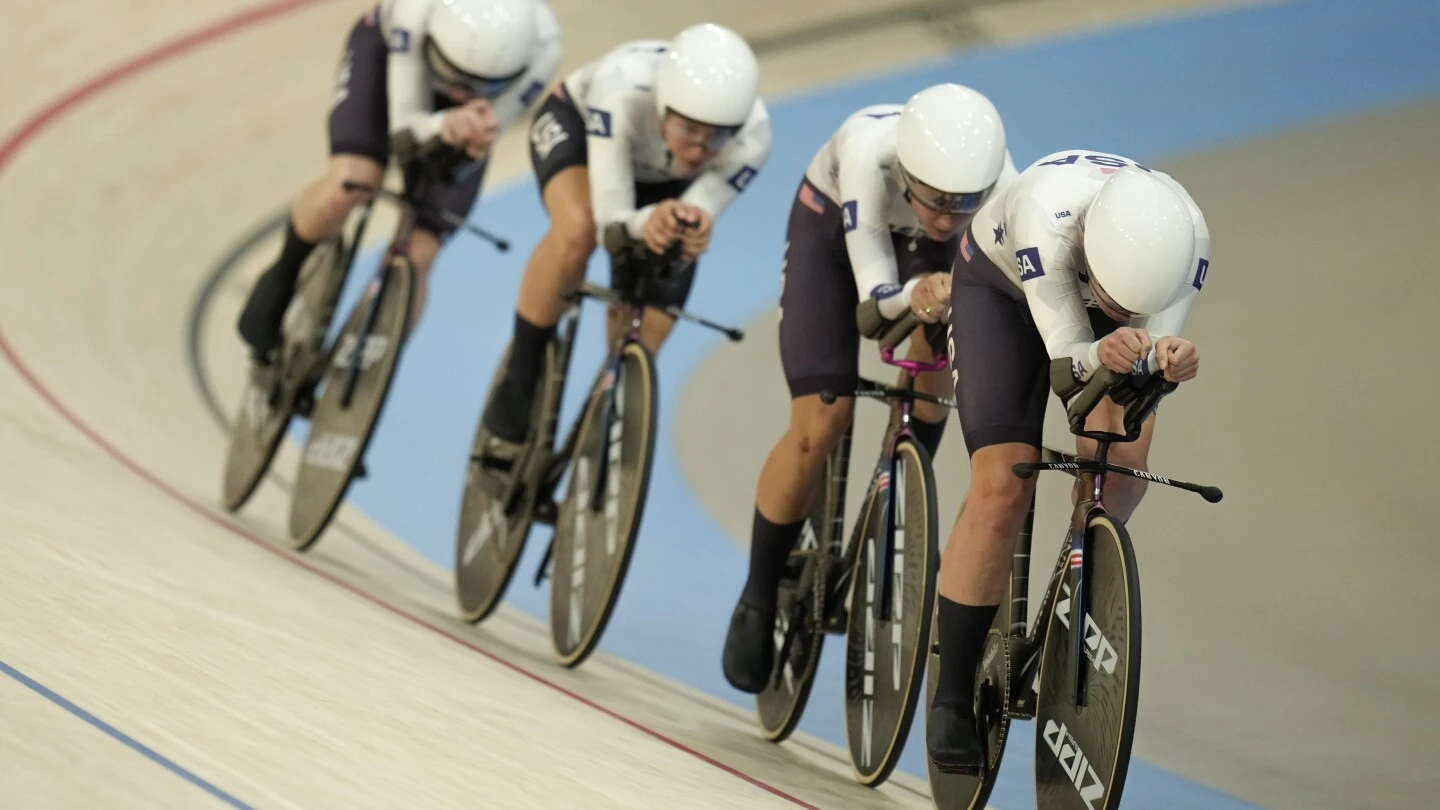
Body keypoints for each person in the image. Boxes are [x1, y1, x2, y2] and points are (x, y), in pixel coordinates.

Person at [718, 83, 1019, 694]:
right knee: (820, 422)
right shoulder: (865, 154)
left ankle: (901, 486)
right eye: (935, 201)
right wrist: (917, 295)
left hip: (936, 262)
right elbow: (874, 305)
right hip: (835, 235)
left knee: (947, 343)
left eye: (963, 205)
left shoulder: (1003, 188)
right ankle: (756, 592)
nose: (945, 217)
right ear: (906, 171)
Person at [926, 151, 1211, 772]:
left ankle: (1077, 572)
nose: (1112, 306)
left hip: (1103, 308)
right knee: (1003, 484)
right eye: (1107, 296)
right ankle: (950, 692)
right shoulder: (1046, 214)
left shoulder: (1188, 242)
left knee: (1119, 476)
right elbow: (1067, 365)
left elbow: (1143, 364)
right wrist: (1106, 346)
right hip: (1003, 290)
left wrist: (1165, 360)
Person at [475, 23, 773, 472]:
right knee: (576, 231)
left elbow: (698, 208)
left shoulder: (753, 138)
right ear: (662, 108)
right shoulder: (622, 90)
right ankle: (522, 371)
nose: (699, 148)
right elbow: (611, 222)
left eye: (716, 136)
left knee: (661, 284)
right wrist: (640, 223)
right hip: (581, 131)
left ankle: (610, 399)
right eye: (689, 128)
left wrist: (689, 227)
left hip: (664, 182)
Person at [236, 0, 562, 378]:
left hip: (467, 111)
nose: (460, 92)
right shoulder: (414, 12)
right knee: (352, 181)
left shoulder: (544, 46)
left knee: (421, 251)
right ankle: (284, 272)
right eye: (454, 76)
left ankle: (368, 374)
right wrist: (443, 126)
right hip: (391, 61)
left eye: (481, 84)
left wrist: (470, 130)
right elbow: (403, 129)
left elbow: (487, 131)